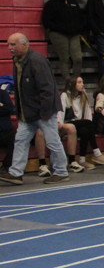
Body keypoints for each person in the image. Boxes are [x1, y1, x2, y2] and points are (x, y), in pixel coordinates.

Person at [0, 34, 71, 186]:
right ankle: (15, 173)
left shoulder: (37, 61)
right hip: (28, 112)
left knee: (52, 141)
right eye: (8, 44)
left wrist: (45, 112)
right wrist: (21, 112)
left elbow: (47, 88)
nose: (9, 48)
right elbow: (20, 90)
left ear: (25, 44)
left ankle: (61, 172)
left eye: (13, 44)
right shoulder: (18, 60)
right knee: (20, 140)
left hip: (43, 111)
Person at [61, 75, 104, 168]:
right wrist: (60, 126)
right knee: (87, 123)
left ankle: (82, 160)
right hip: (67, 124)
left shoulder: (83, 95)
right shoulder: (65, 95)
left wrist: (90, 127)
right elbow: (61, 113)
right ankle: (97, 152)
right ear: (72, 84)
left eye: (82, 82)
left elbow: (88, 113)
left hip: (81, 124)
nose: (82, 84)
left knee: (85, 130)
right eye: (79, 82)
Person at [42, 0, 86, 81]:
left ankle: (76, 80)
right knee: (64, 58)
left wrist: (80, 29)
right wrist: (58, 28)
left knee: (78, 58)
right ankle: (68, 80)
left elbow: (81, 17)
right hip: (59, 34)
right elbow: (46, 21)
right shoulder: (51, 4)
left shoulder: (73, 2)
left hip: (74, 33)